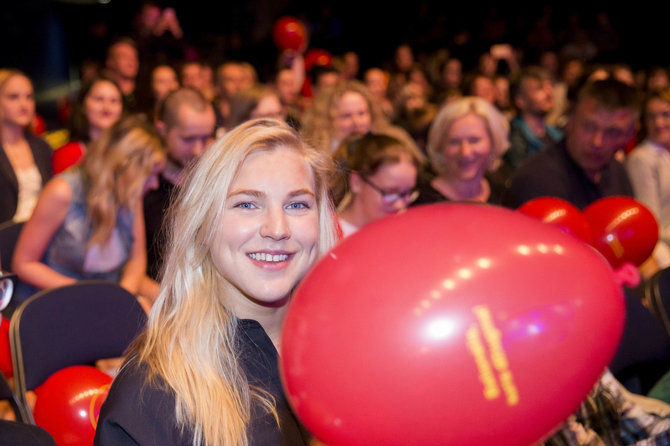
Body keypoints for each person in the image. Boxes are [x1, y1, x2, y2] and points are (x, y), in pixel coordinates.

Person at [94, 118, 339, 446]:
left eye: (297, 204)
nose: (278, 229)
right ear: (203, 226)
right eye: (247, 204)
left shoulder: (349, 349)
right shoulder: (153, 392)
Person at [11, 115, 165, 306]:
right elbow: (23, 264)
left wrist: (121, 296)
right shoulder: (62, 191)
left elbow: (136, 259)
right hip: (58, 299)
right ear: (125, 167)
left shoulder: (130, 194)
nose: (155, 184)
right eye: (150, 174)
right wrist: (89, 294)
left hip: (106, 292)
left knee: (170, 307)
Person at [504, 79, 638, 209]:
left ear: (629, 135)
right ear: (570, 121)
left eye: (612, 133)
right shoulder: (538, 179)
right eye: (588, 127)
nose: (597, 142)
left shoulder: (617, 172)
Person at [144, 88, 216, 281]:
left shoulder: (215, 178)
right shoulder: (144, 186)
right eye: (188, 139)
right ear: (162, 130)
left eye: (205, 138)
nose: (198, 150)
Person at [413, 96, 509, 205]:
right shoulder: (424, 205)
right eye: (454, 142)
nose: (465, 152)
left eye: (474, 140)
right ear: (440, 146)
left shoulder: (503, 195)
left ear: (493, 142)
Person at [332, 132, 424, 237]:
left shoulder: (404, 233)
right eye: (390, 193)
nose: (400, 205)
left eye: (407, 193)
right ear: (356, 182)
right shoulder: (328, 238)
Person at [0, 69, 52, 224]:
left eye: (29, 97)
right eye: (13, 97)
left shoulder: (41, 146)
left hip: (41, 231)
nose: (24, 104)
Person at [626, 87, 670, 270]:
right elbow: (652, 225)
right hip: (661, 249)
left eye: (665, 114)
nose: (658, 123)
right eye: (651, 117)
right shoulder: (642, 158)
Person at [302, 80, 407, 152]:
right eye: (346, 116)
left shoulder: (388, 145)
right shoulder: (318, 162)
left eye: (362, 113)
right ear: (327, 121)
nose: (357, 122)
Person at [52, 75, 124, 174]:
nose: (107, 107)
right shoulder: (67, 154)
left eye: (114, 100)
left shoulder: (130, 151)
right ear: (82, 105)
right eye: (99, 99)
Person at [505, 67, 564, 172]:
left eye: (549, 86)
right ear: (520, 100)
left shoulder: (557, 133)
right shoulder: (513, 136)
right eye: (539, 88)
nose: (549, 93)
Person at [104, 38, 140, 112]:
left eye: (134, 57)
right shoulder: (103, 95)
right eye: (124, 56)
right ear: (110, 62)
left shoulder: (146, 95)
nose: (131, 61)